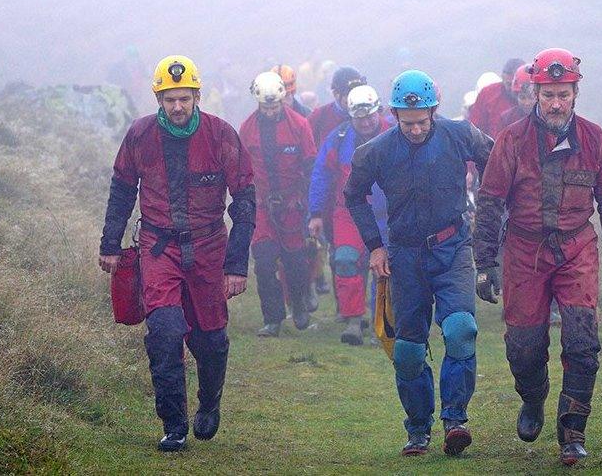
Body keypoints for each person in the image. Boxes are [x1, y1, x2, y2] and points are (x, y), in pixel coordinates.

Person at [473, 48, 602, 465]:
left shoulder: (596, 140)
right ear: (535, 94)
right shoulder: (511, 141)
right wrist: (485, 263)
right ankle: (533, 396)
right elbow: (489, 202)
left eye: (563, 94)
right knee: (523, 347)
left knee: (583, 342)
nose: (556, 103)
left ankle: (572, 431)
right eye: (548, 95)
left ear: (575, 93)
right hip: (523, 251)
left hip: (577, 248)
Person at [98, 55, 255, 452]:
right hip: (157, 247)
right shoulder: (139, 135)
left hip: (209, 247)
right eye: (169, 99)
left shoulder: (222, 136)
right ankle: (173, 424)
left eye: (184, 98)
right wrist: (110, 245)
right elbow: (121, 190)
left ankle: (209, 402)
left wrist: (237, 265)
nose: (178, 107)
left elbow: (245, 201)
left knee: (211, 341)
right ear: (158, 98)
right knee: (165, 334)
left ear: (197, 96)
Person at [344, 70, 493, 457]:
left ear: (434, 111)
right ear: (393, 115)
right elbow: (354, 195)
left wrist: (491, 216)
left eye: (421, 122)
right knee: (408, 350)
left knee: (460, 329)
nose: (414, 129)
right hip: (404, 256)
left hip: (453, 247)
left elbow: (497, 164)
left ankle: (456, 419)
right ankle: (418, 427)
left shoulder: (461, 135)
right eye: (406, 123)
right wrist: (375, 246)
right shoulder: (376, 151)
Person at [308, 85, 390, 345]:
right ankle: (354, 320)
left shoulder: (395, 134)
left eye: (370, 116)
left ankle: (384, 322)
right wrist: (316, 213)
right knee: (344, 260)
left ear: (378, 111)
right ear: (351, 116)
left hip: (388, 213)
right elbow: (321, 174)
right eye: (360, 118)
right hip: (349, 212)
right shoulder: (338, 138)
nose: (365, 122)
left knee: (387, 268)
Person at [239, 71, 317, 337]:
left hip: (292, 205)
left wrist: (308, 203)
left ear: (283, 100)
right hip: (261, 205)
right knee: (263, 262)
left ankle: (299, 303)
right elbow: (241, 171)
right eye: (266, 106)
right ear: (258, 102)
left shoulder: (299, 125)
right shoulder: (247, 129)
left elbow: (310, 165)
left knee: (295, 261)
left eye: (275, 106)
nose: (271, 111)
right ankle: (272, 319)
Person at [468, 58, 524, 139]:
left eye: (516, 85)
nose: (513, 89)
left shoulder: (535, 96)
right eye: (509, 84)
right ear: (503, 78)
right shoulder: (488, 94)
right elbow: (474, 126)